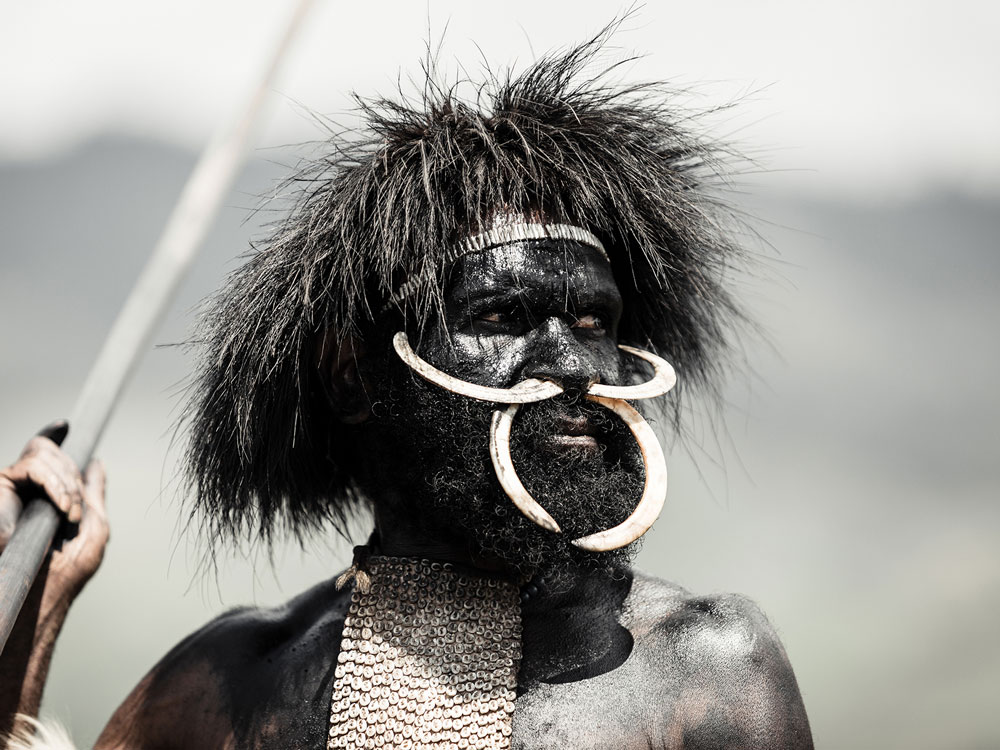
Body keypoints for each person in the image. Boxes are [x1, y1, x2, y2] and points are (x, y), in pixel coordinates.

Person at [0, 35, 813, 750]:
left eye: (596, 319)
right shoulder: (233, 686)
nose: (574, 362)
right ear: (354, 377)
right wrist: (33, 614)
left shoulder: (709, 671)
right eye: (502, 314)